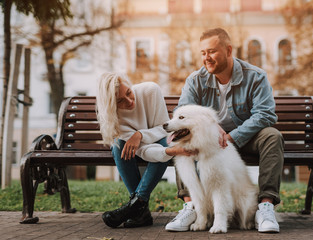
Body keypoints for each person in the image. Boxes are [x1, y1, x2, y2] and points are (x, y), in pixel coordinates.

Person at [165, 28, 284, 233]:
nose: (206, 58)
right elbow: (182, 111)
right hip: (210, 142)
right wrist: (213, 128)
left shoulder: (255, 77)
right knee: (182, 139)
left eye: (211, 52)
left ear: (228, 50)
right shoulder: (195, 80)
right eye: (203, 53)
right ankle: (191, 205)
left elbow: (265, 114)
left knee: (273, 136)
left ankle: (265, 207)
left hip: (246, 138)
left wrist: (231, 136)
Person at [96, 72, 195, 228]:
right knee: (117, 146)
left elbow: (164, 130)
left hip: (161, 140)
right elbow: (142, 151)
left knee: (165, 143)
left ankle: (137, 205)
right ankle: (140, 210)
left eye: (129, 92)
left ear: (130, 85)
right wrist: (140, 140)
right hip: (142, 150)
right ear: (112, 105)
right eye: (121, 101)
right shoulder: (113, 120)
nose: (129, 101)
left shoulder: (150, 90)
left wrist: (139, 135)